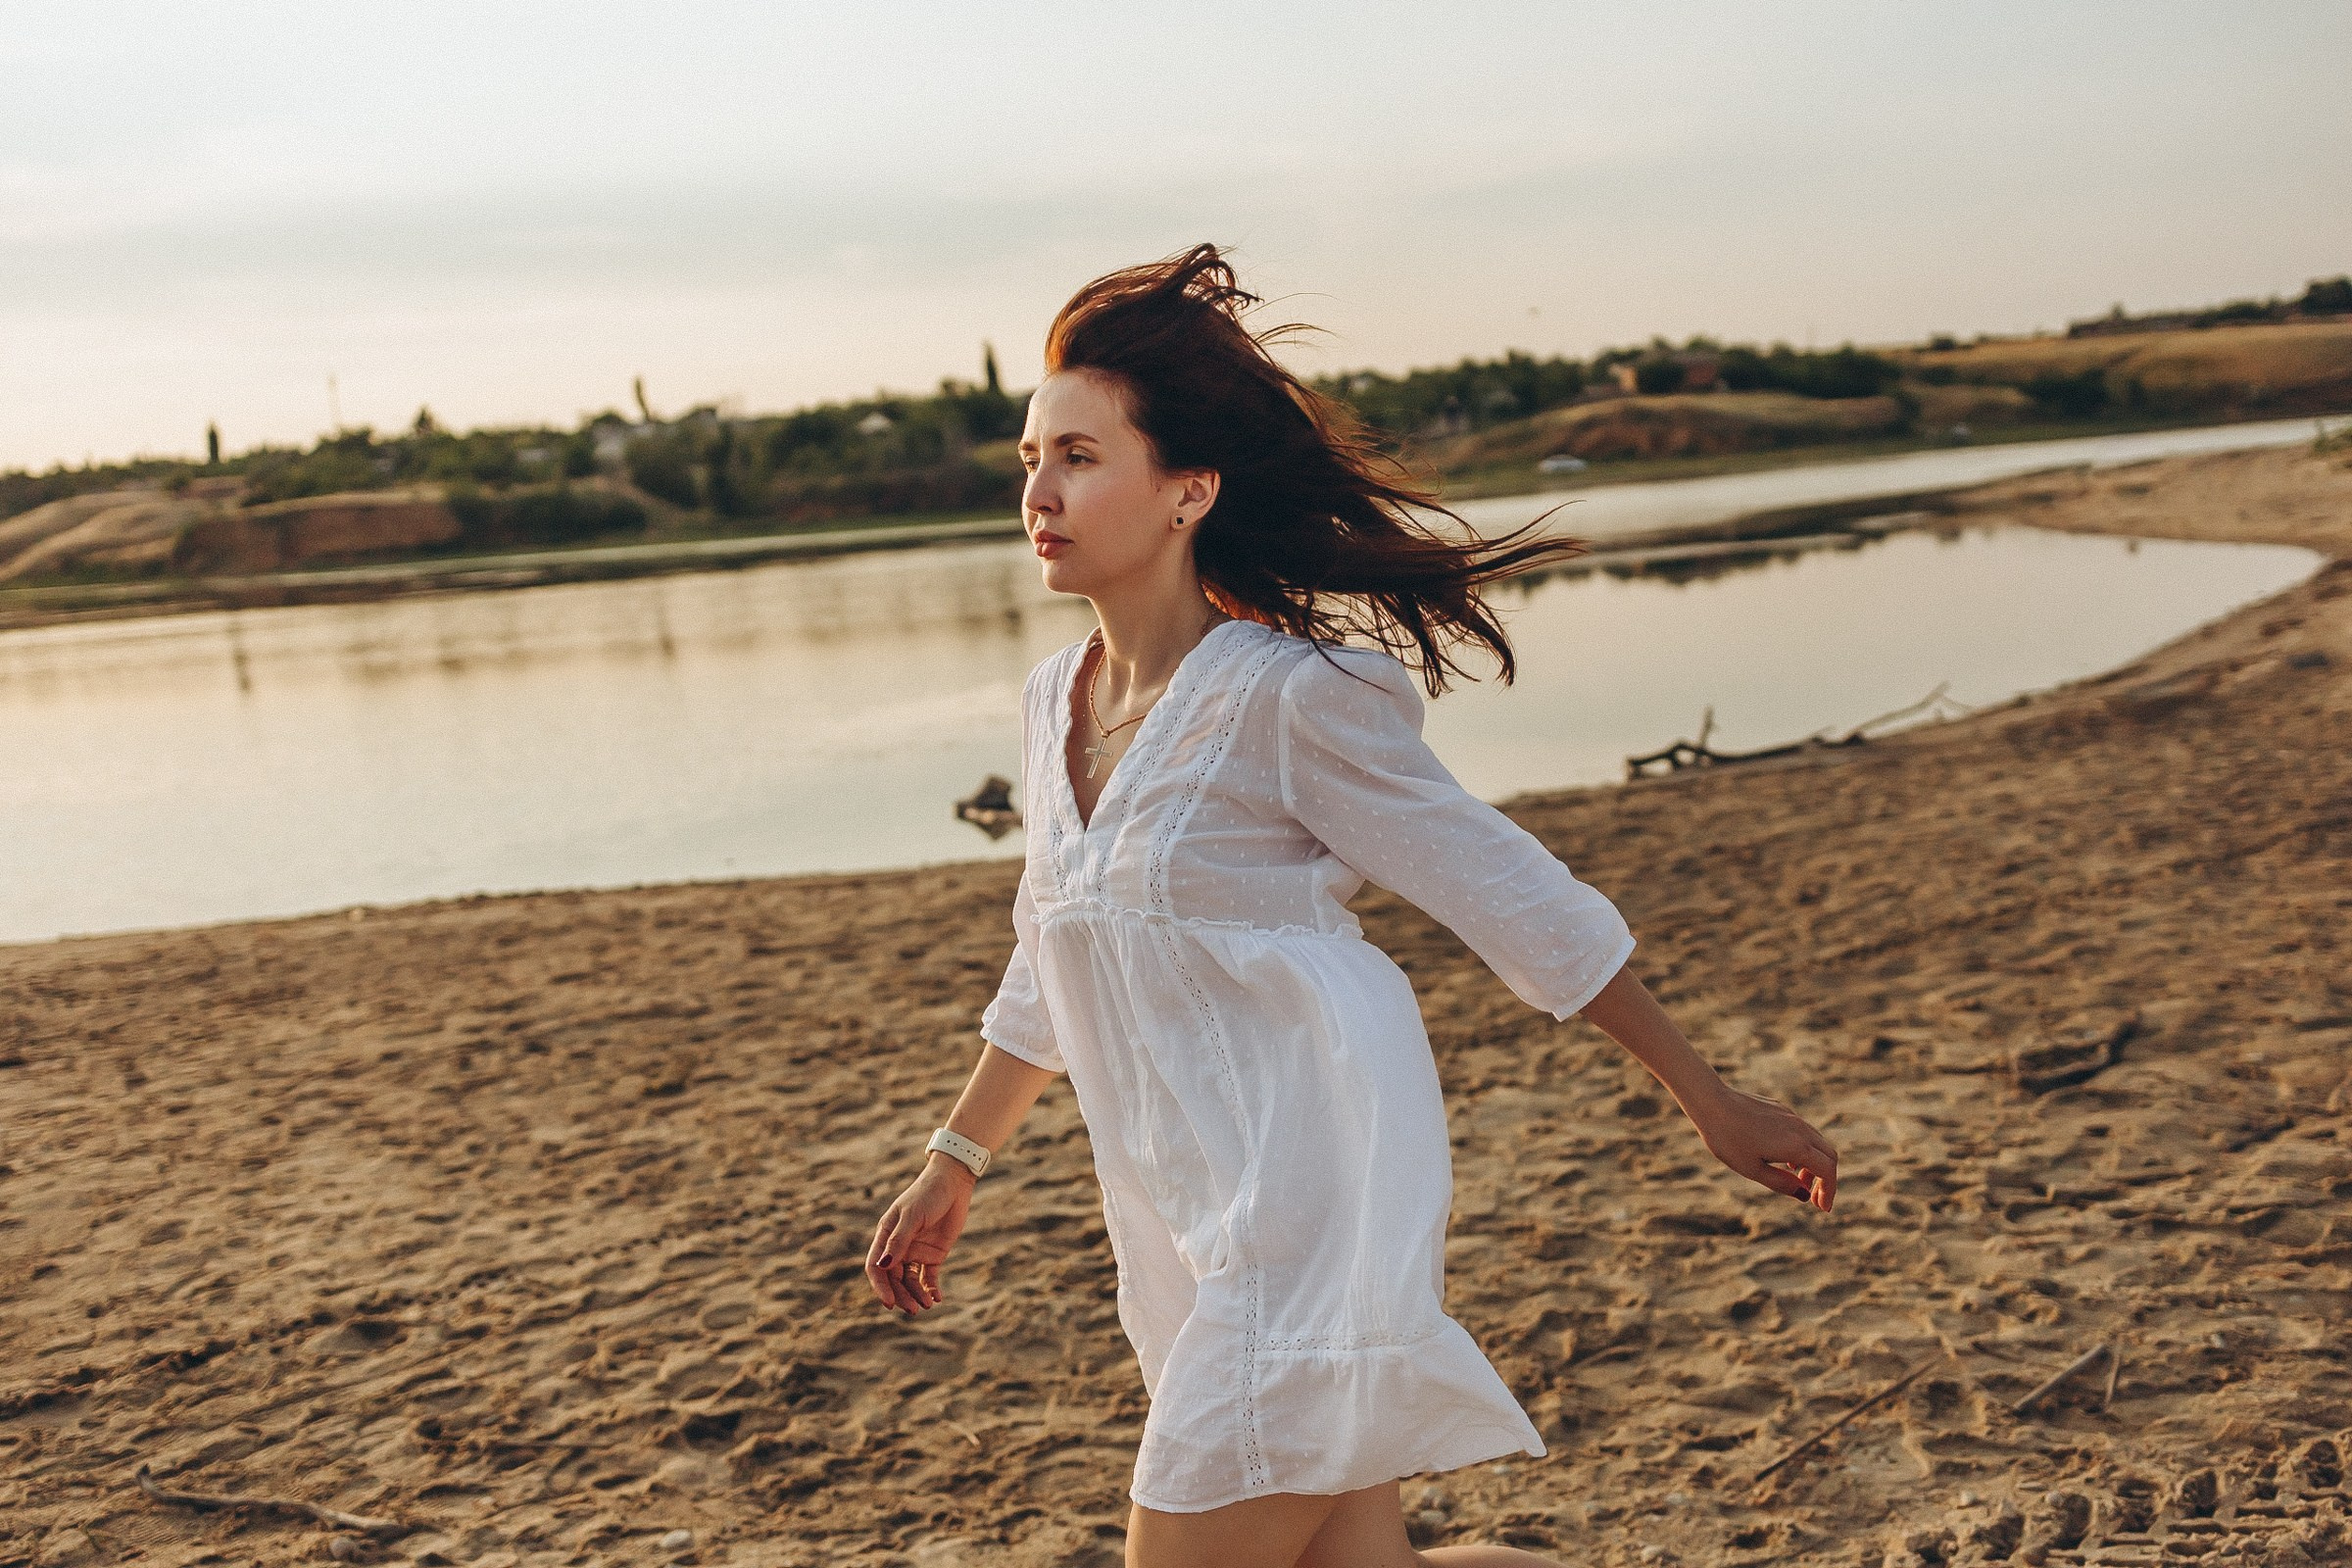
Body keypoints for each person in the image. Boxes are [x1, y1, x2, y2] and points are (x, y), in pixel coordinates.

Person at [866, 244, 1838, 1568]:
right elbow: (1054, 946)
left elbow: (1502, 889)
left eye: (1080, 459)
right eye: (1029, 461)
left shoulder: (1290, 697)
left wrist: (1709, 1098)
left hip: (1313, 1196)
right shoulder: (1058, 702)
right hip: (1184, 1214)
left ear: (1187, 490)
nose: (1038, 492)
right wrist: (955, 1162)